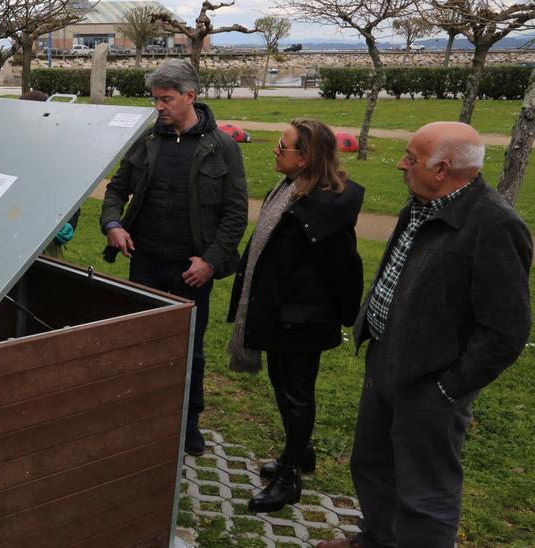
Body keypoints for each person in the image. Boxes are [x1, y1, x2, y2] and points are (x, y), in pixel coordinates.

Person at [318, 122, 531, 548]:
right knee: (373, 465)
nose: (401, 164)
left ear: (442, 169)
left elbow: (506, 330)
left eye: (411, 159)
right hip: (386, 362)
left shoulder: (494, 224)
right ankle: (377, 540)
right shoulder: (421, 204)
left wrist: (447, 390)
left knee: (425, 492)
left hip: (430, 383)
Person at [99, 59, 248, 455]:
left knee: (190, 352)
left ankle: (188, 424)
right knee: (142, 346)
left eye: (166, 99)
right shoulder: (146, 142)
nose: (159, 107)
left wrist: (211, 261)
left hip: (191, 272)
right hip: (144, 263)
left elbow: (235, 214)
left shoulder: (222, 147)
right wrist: (113, 224)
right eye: (155, 100)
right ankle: (144, 417)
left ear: (190, 97)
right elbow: (115, 191)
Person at [225, 119, 364, 513]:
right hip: (279, 313)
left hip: (303, 320)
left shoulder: (323, 207)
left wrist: (342, 317)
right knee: (283, 386)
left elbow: (345, 269)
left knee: (297, 394)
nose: (274, 150)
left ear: (304, 159)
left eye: (282, 147)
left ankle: (289, 478)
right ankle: (299, 453)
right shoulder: (289, 190)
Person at [19, 89, 79, 259]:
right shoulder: (10, 151)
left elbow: (72, 194)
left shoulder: (59, 153)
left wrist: (70, 223)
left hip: (47, 244)